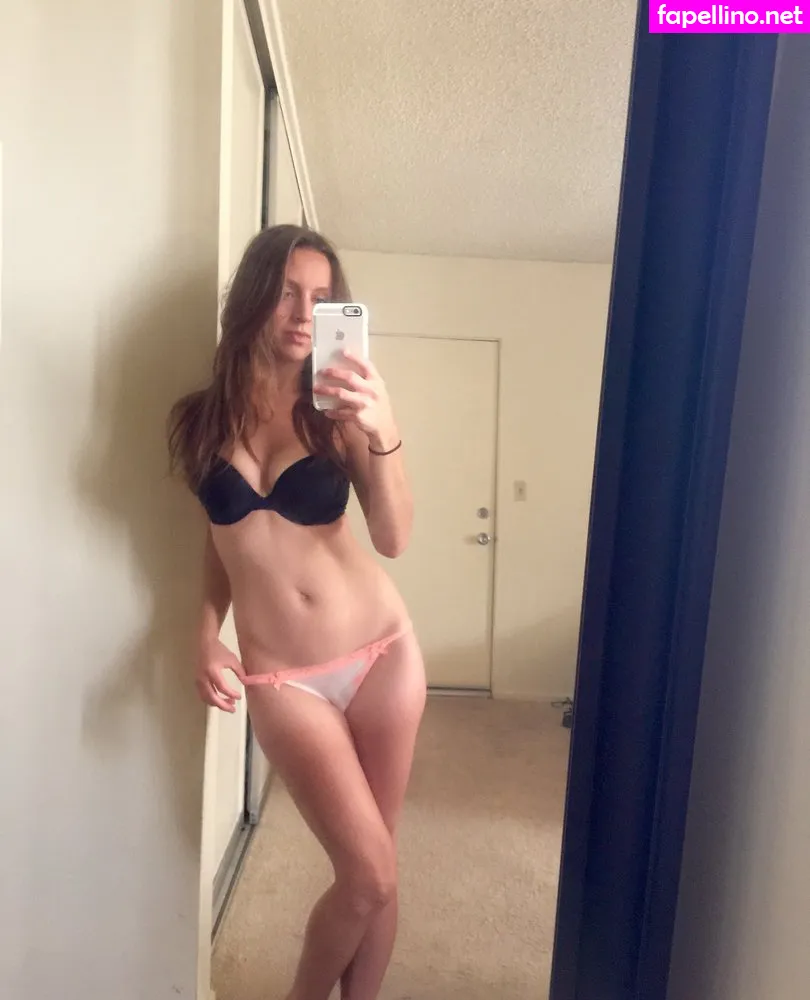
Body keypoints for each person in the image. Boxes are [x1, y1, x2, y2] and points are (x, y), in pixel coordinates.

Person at [166, 223, 427, 1000]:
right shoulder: (200, 419)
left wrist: (384, 431)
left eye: (320, 296)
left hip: (381, 652)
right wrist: (203, 634)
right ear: (254, 294)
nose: (304, 312)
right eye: (286, 292)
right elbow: (223, 540)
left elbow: (393, 537)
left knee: (378, 866)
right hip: (284, 677)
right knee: (368, 871)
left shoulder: (335, 410)